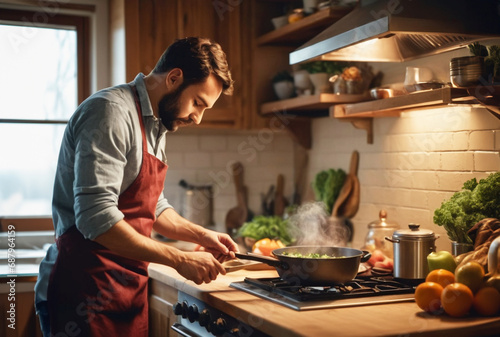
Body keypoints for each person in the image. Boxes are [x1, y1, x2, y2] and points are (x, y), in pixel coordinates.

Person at [34, 37, 239, 337]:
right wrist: (180, 258)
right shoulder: (110, 113)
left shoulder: (157, 123)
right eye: (197, 103)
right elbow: (96, 219)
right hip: (84, 292)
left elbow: (153, 205)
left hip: (126, 291)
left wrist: (202, 234)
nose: (198, 117)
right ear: (174, 78)